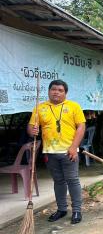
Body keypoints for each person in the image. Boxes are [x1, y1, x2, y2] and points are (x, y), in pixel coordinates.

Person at [28, 80, 86, 224]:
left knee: (72, 181)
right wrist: (33, 130)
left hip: (69, 151)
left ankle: (77, 210)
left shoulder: (73, 106)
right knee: (58, 181)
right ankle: (61, 209)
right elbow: (30, 129)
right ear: (49, 91)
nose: (56, 92)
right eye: (53, 89)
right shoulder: (39, 108)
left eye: (60, 90)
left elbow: (81, 127)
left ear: (65, 93)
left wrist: (74, 147)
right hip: (50, 152)